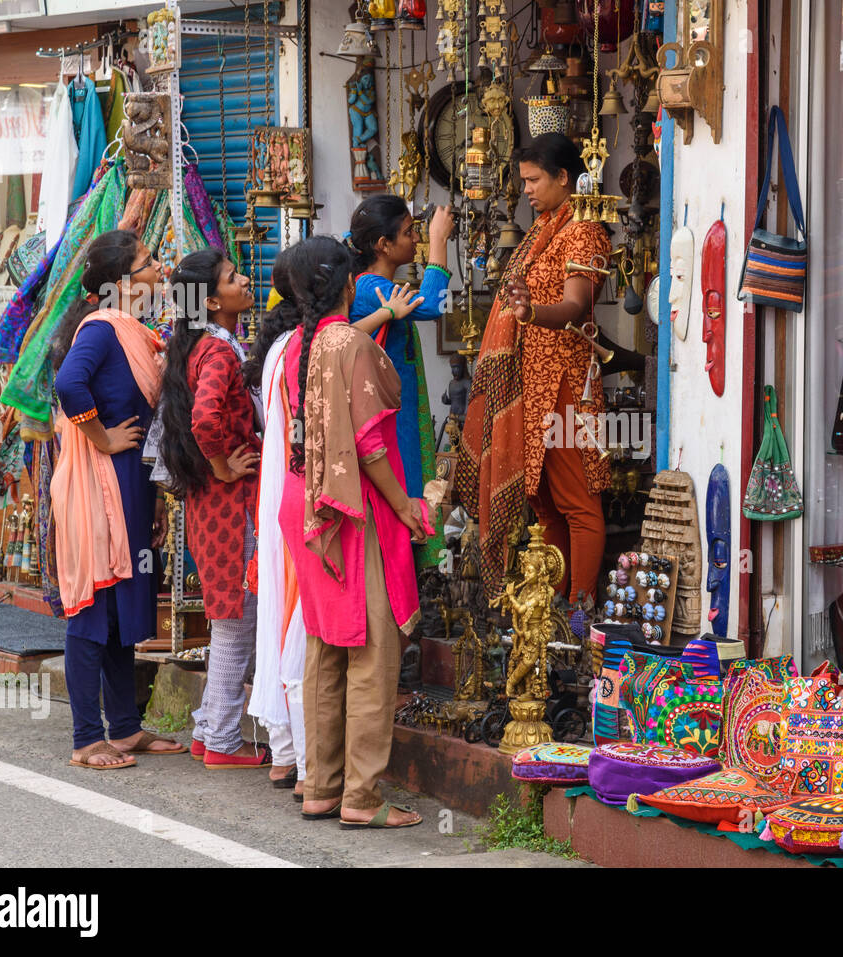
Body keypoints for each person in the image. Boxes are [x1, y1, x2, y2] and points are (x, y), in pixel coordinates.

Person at [280, 236, 427, 829]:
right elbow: (368, 446)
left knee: (325, 645)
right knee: (370, 650)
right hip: (350, 506)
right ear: (346, 284)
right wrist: (406, 507)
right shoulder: (350, 344)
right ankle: (362, 799)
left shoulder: (299, 342)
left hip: (306, 506)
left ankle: (320, 786)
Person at [456, 133, 612, 604]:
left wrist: (529, 315)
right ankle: (554, 617)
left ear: (564, 178)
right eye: (523, 180)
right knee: (546, 509)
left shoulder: (584, 231)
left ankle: (581, 620)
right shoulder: (542, 230)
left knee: (579, 505)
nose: (526, 189)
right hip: (532, 383)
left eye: (534, 179)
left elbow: (575, 304)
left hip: (565, 381)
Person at [50, 228, 184, 769]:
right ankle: (87, 738)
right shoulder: (102, 330)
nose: (158, 269)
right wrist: (103, 438)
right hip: (98, 488)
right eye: (150, 262)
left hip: (130, 488)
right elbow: (68, 385)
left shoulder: (132, 330)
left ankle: (125, 728)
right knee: (92, 608)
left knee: (122, 605)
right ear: (122, 282)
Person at [160, 248, 270, 770]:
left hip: (213, 505)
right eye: (233, 277)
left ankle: (209, 730)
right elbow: (205, 420)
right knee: (236, 621)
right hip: (231, 503)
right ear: (210, 300)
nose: (245, 279)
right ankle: (222, 741)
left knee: (229, 617)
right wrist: (224, 464)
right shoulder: (221, 353)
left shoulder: (201, 346)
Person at [346, 196, 454, 568]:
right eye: (409, 233)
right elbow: (434, 304)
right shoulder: (368, 289)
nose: (417, 238)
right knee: (400, 494)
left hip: (401, 413)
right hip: (389, 417)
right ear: (383, 245)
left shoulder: (378, 285)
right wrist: (439, 241)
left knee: (409, 485)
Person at [246, 256, 309, 799]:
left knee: (280, 613)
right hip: (298, 488)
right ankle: (301, 762)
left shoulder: (275, 349)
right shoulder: (304, 349)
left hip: (277, 487)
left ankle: (285, 752)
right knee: (296, 619)